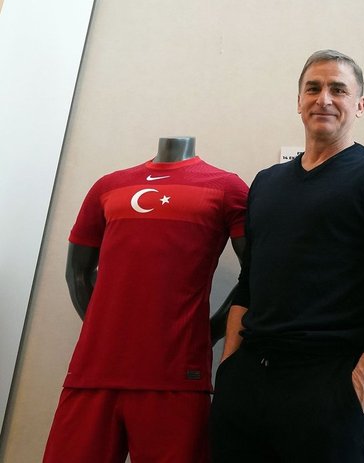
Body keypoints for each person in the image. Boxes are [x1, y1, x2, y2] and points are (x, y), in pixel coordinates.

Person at [209, 50, 364, 463]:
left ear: (359, 105)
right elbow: (249, 282)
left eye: (338, 89)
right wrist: (230, 368)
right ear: (299, 101)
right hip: (248, 385)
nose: (324, 98)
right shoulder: (267, 183)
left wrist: (362, 385)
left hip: (332, 388)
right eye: (313, 88)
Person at [43, 137, 248, 463]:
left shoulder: (227, 188)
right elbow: (76, 274)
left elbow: (255, 277)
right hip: (94, 371)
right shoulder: (109, 186)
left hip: (176, 375)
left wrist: (208, 333)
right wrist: (105, 331)